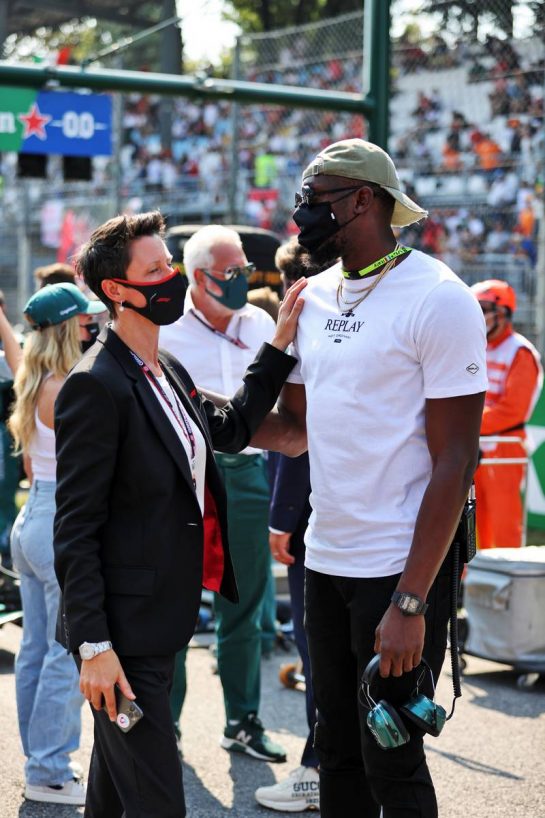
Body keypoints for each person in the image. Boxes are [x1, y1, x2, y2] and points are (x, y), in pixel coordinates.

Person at [53, 211, 305, 818]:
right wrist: (93, 647)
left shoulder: (167, 370)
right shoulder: (96, 385)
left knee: (115, 796)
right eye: (157, 268)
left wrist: (277, 345)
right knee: (159, 801)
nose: (171, 277)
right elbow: (75, 528)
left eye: (169, 263)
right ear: (116, 291)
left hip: (159, 623)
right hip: (121, 637)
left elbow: (236, 427)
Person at [280, 138, 487, 817]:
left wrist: (410, 602)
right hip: (324, 560)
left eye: (315, 201)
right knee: (334, 750)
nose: (302, 215)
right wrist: (197, 413)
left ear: (363, 201)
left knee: (391, 761)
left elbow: (456, 461)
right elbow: (297, 428)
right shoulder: (311, 297)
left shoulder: (438, 298)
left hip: (396, 571)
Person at [160, 224, 288, 764]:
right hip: (179, 476)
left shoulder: (260, 321)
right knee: (173, 607)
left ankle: (242, 720)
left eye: (243, 269)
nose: (242, 279)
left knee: (244, 604)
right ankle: (165, 727)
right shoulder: (164, 327)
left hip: (245, 474)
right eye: (229, 272)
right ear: (196, 276)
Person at [8, 282, 107, 806]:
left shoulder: (36, 376)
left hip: (32, 520)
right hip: (56, 521)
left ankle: (39, 762)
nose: (95, 327)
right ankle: (48, 769)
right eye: (88, 322)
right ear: (70, 327)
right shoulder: (68, 384)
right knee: (62, 654)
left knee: (36, 650)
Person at [255, 237, 324, 812]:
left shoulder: (303, 340)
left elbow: (297, 443)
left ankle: (317, 772)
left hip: (312, 521)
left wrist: (280, 518)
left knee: (318, 648)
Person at [471, 279, 542, 549]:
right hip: (474, 446)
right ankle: (469, 585)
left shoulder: (520, 351)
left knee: (503, 527)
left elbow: (513, 411)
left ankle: (507, 588)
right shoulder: (477, 347)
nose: (480, 315)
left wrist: (465, 423)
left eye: (485, 308)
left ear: (504, 313)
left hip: (504, 448)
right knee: (470, 525)